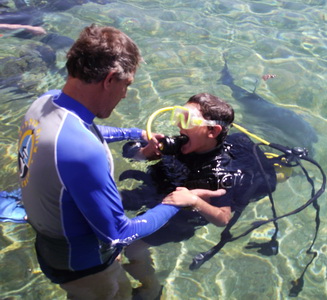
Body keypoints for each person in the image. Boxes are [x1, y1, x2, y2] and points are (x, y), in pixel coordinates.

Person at [17, 25, 224, 300]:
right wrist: (178, 202)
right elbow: (118, 235)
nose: (125, 94)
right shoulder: (82, 152)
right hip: (83, 265)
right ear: (110, 78)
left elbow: (81, 131)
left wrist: (132, 133)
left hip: (52, 247)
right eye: (126, 85)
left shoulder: (45, 103)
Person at [120, 93, 277, 299]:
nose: (178, 125)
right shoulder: (187, 143)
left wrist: (194, 200)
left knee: (131, 248)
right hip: (165, 188)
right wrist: (145, 152)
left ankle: (151, 288)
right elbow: (131, 154)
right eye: (178, 115)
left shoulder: (220, 174)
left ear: (212, 130)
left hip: (181, 217)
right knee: (113, 202)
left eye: (186, 119)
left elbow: (223, 218)